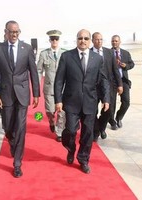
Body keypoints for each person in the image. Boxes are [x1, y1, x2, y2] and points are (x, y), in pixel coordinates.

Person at [0, 20, 40, 178]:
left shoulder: (27, 48)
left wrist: (36, 94)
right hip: (5, 95)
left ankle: (17, 163)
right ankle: (12, 142)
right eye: (11, 32)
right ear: (6, 32)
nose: (14, 34)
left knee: (21, 129)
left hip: (23, 94)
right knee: (8, 128)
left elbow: (33, 71)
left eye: (17, 32)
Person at [54, 29, 110, 174]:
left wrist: (106, 98)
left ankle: (83, 159)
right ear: (76, 40)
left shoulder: (97, 59)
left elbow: (103, 80)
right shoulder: (67, 56)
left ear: (90, 40)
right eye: (80, 38)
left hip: (90, 102)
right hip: (71, 102)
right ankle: (70, 148)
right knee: (71, 131)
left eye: (86, 38)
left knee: (87, 134)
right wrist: (58, 100)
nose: (83, 41)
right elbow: (59, 80)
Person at [91, 32, 123, 141]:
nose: (99, 41)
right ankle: (95, 132)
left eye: (101, 39)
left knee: (108, 111)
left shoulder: (109, 52)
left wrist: (120, 84)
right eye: (96, 39)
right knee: (93, 111)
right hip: (93, 88)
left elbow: (115, 69)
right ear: (92, 40)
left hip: (108, 87)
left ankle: (101, 128)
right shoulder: (89, 53)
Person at [37, 30, 66, 142]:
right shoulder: (44, 54)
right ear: (49, 40)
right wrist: (37, 85)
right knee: (50, 111)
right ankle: (51, 121)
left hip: (62, 88)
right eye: (52, 39)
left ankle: (59, 132)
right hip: (49, 88)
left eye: (56, 39)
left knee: (61, 112)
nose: (54, 41)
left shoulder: (64, 53)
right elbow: (39, 70)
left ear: (59, 40)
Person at [109, 35, 135, 130]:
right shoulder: (108, 53)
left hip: (123, 80)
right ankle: (112, 121)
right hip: (112, 81)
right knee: (111, 103)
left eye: (116, 41)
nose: (114, 42)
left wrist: (126, 66)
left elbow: (132, 64)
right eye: (113, 41)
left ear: (120, 42)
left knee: (126, 102)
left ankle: (119, 117)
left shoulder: (125, 53)